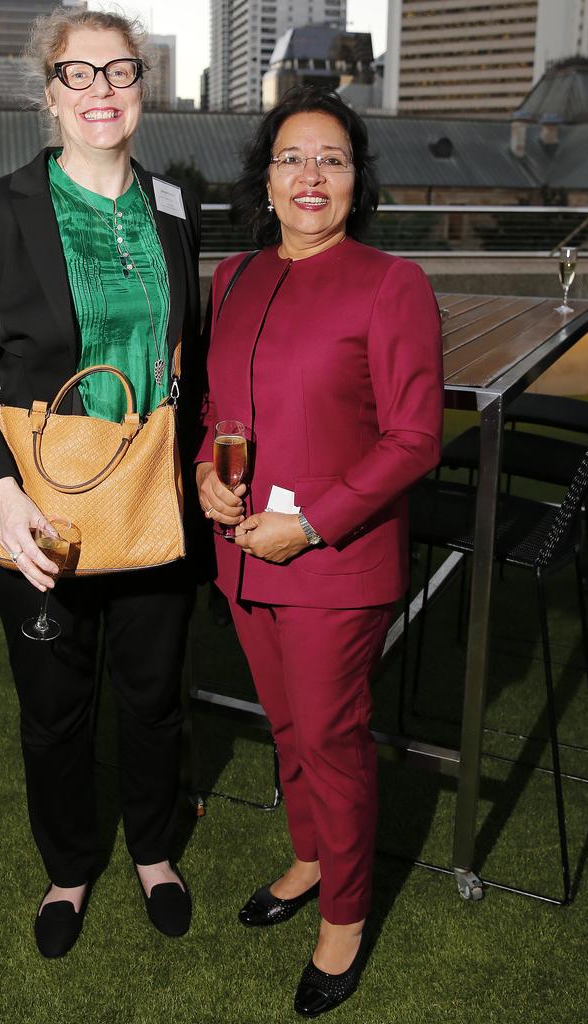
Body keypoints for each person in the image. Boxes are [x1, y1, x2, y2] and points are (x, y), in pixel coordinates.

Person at [0, 8, 201, 957]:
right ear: (47, 93)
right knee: (55, 708)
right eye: (77, 74)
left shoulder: (176, 203)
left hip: (155, 488)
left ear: (143, 86)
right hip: (39, 504)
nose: (101, 92)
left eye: (119, 72)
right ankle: (70, 866)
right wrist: (0, 495)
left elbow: (186, 358)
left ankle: (156, 850)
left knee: (154, 692)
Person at [196, 85, 444, 1018]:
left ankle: (344, 912)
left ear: (355, 182)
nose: (310, 177)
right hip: (244, 555)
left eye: (331, 161)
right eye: (293, 158)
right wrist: (203, 478)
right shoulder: (235, 279)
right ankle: (308, 856)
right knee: (288, 727)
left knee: (333, 739)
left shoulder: (392, 283)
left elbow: (416, 437)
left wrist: (313, 521)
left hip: (334, 564)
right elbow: (216, 416)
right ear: (266, 177)